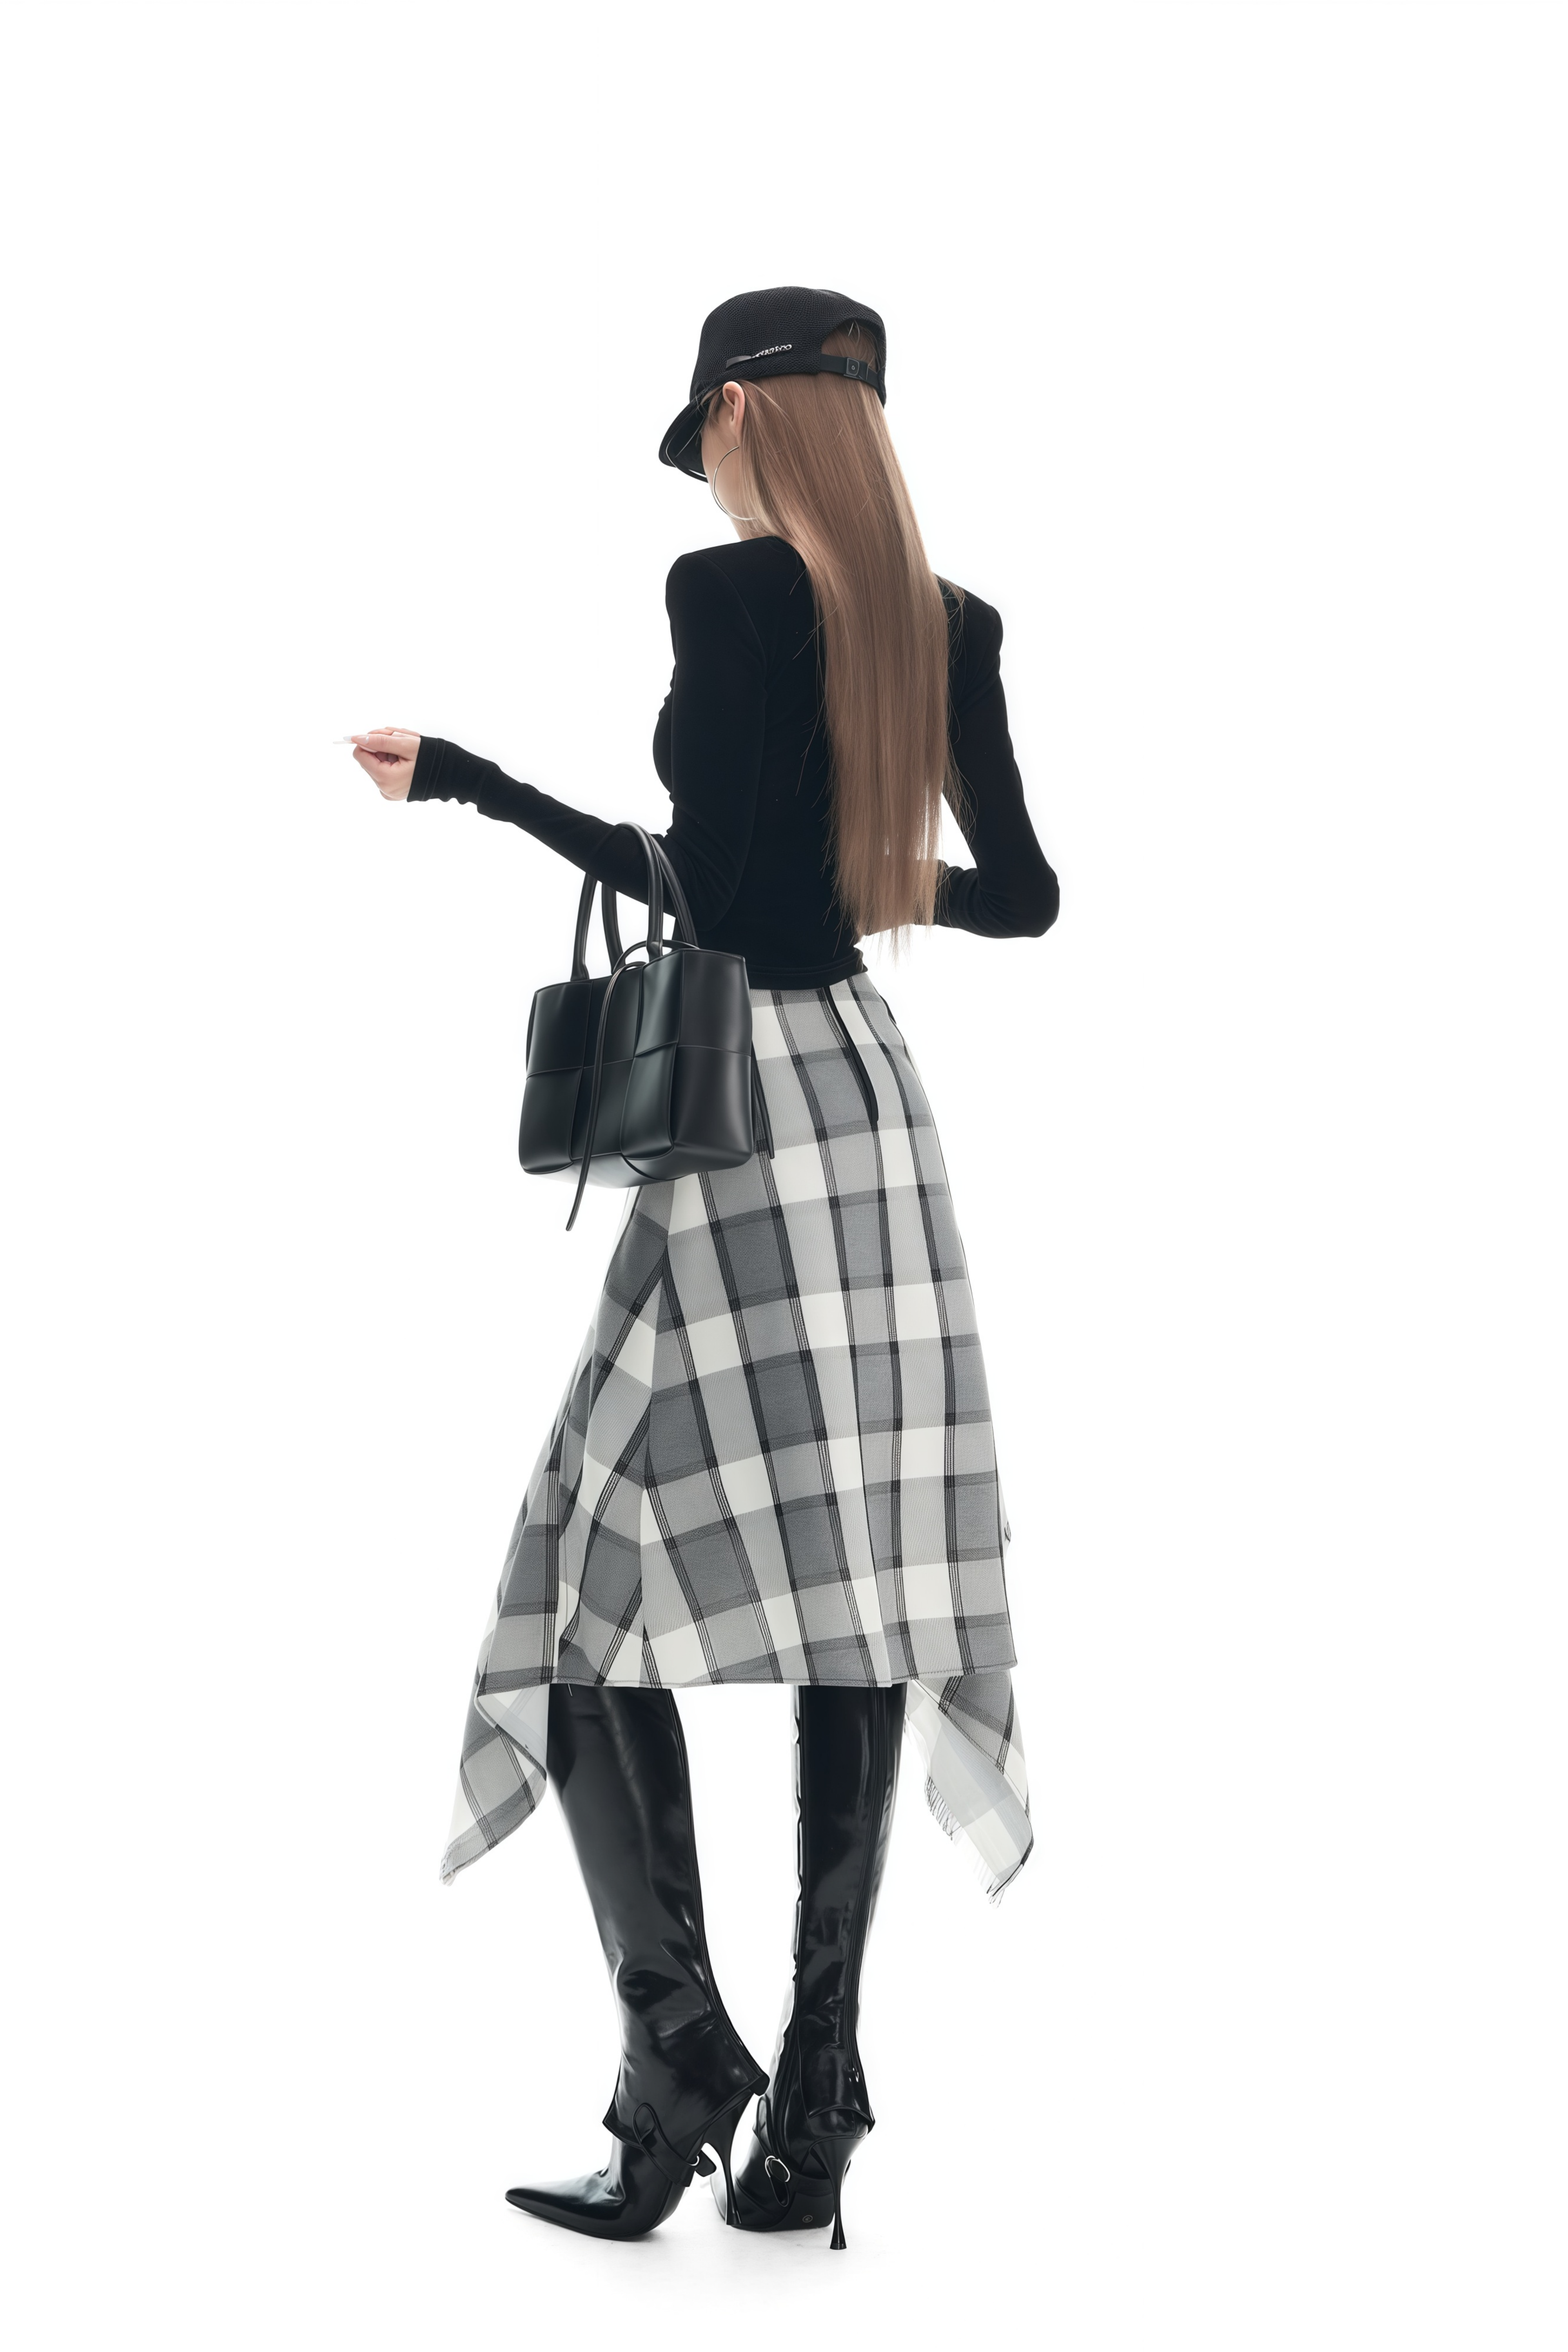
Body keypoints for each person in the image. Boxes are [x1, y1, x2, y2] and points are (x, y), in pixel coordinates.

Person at [349, 286, 1059, 2251]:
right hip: (872, 1122)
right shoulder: (950, 624)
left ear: (740, 410)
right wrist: (863, 872)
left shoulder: (730, 594)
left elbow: (709, 889)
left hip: (743, 1124)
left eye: (708, 439)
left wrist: (476, 785)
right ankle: (812, 2099)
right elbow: (1021, 895)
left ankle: (678, 2057)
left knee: (576, 1587)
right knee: (855, 1597)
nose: (709, 473)